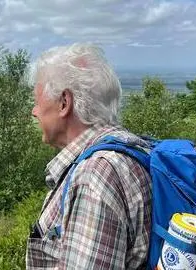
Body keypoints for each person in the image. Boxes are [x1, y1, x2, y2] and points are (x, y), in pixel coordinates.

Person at [26, 43, 152, 269]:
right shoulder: (131, 147)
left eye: (37, 101)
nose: (34, 111)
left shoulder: (94, 177)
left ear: (64, 102)